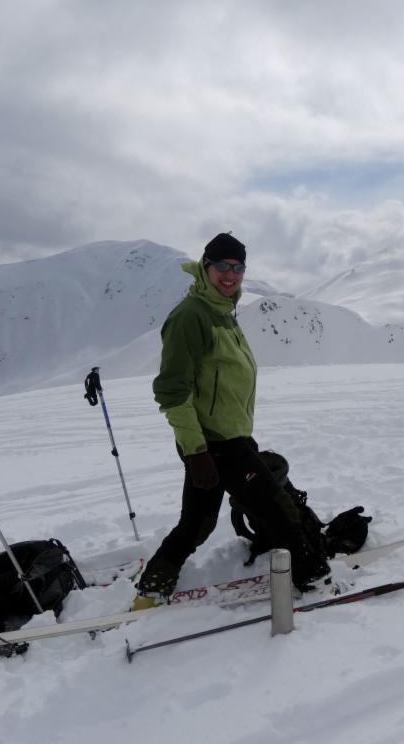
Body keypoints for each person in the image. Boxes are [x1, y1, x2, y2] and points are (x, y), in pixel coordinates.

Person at [133, 232, 330, 609]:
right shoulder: (191, 316)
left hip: (225, 439)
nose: (230, 274)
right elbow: (173, 392)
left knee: (198, 522)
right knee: (277, 511)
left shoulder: (222, 312)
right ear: (205, 267)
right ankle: (315, 578)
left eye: (238, 267)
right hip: (215, 444)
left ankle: (152, 588)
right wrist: (197, 451)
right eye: (222, 266)